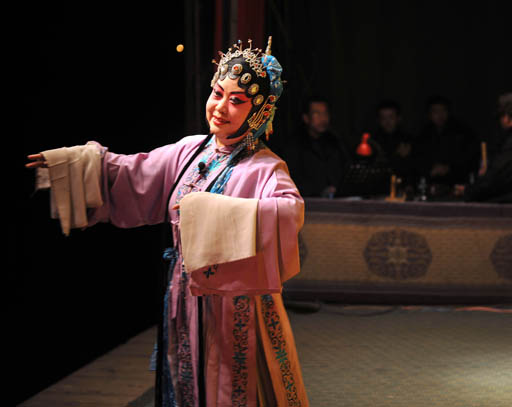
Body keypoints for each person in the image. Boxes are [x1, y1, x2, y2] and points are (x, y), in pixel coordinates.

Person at [26, 38, 309, 407]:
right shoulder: (190, 150)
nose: (221, 107)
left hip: (236, 304)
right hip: (184, 293)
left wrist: (209, 211)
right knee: (185, 380)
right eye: (218, 93)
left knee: (233, 388)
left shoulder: (266, 167)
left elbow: (289, 210)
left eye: (237, 100)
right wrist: (77, 164)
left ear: (259, 110)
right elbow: (134, 172)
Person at [455, 92, 512, 207]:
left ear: (508, 118)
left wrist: (470, 190)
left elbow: (498, 177)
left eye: (501, 116)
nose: (500, 121)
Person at [285, 96, 349, 198]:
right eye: (317, 114)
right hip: (308, 202)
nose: (323, 118)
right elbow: (292, 179)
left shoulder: (335, 142)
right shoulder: (295, 144)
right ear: (306, 118)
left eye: (325, 113)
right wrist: (320, 191)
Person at [413, 95, 479, 187]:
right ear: (429, 114)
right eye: (435, 111)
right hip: (431, 183)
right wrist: (430, 169)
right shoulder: (423, 134)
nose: (440, 115)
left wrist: (449, 168)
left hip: (457, 182)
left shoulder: (462, 132)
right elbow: (418, 160)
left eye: (443, 110)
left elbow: (470, 158)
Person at [370, 100, 415, 184]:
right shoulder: (373, 142)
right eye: (383, 118)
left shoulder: (408, 139)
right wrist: (397, 155)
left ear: (399, 118)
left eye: (391, 117)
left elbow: (414, 168)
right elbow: (375, 170)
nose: (387, 122)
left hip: (405, 185)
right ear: (378, 120)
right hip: (380, 186)